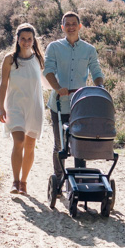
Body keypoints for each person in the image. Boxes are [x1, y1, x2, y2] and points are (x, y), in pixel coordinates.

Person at [43, 11, 104, 184]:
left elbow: (96, 71)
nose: (70, 27)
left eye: (73, 24)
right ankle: (59, 178)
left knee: (80, 144)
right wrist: (58, 88)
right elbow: (48, 70)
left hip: (79, 105)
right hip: (59, 103)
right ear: (62, 27)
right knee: (60, 145)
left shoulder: (89, 49)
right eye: (67, 24)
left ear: (79, 26)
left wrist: (99, 87)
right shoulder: (54, 47)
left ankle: (79, 179)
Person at [0, 23, 45, 194]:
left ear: (33, 40)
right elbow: (3, 84)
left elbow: (46, 82)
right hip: (15, 106)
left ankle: (24, 183)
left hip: (34, 107)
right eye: (23, 39)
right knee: (18, 141)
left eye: (29, 39)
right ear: (17, 39)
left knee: (30, 146)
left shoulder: (38, 59)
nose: (26, 42)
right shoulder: (9, 59)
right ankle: (15, 181)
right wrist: (0, 107)